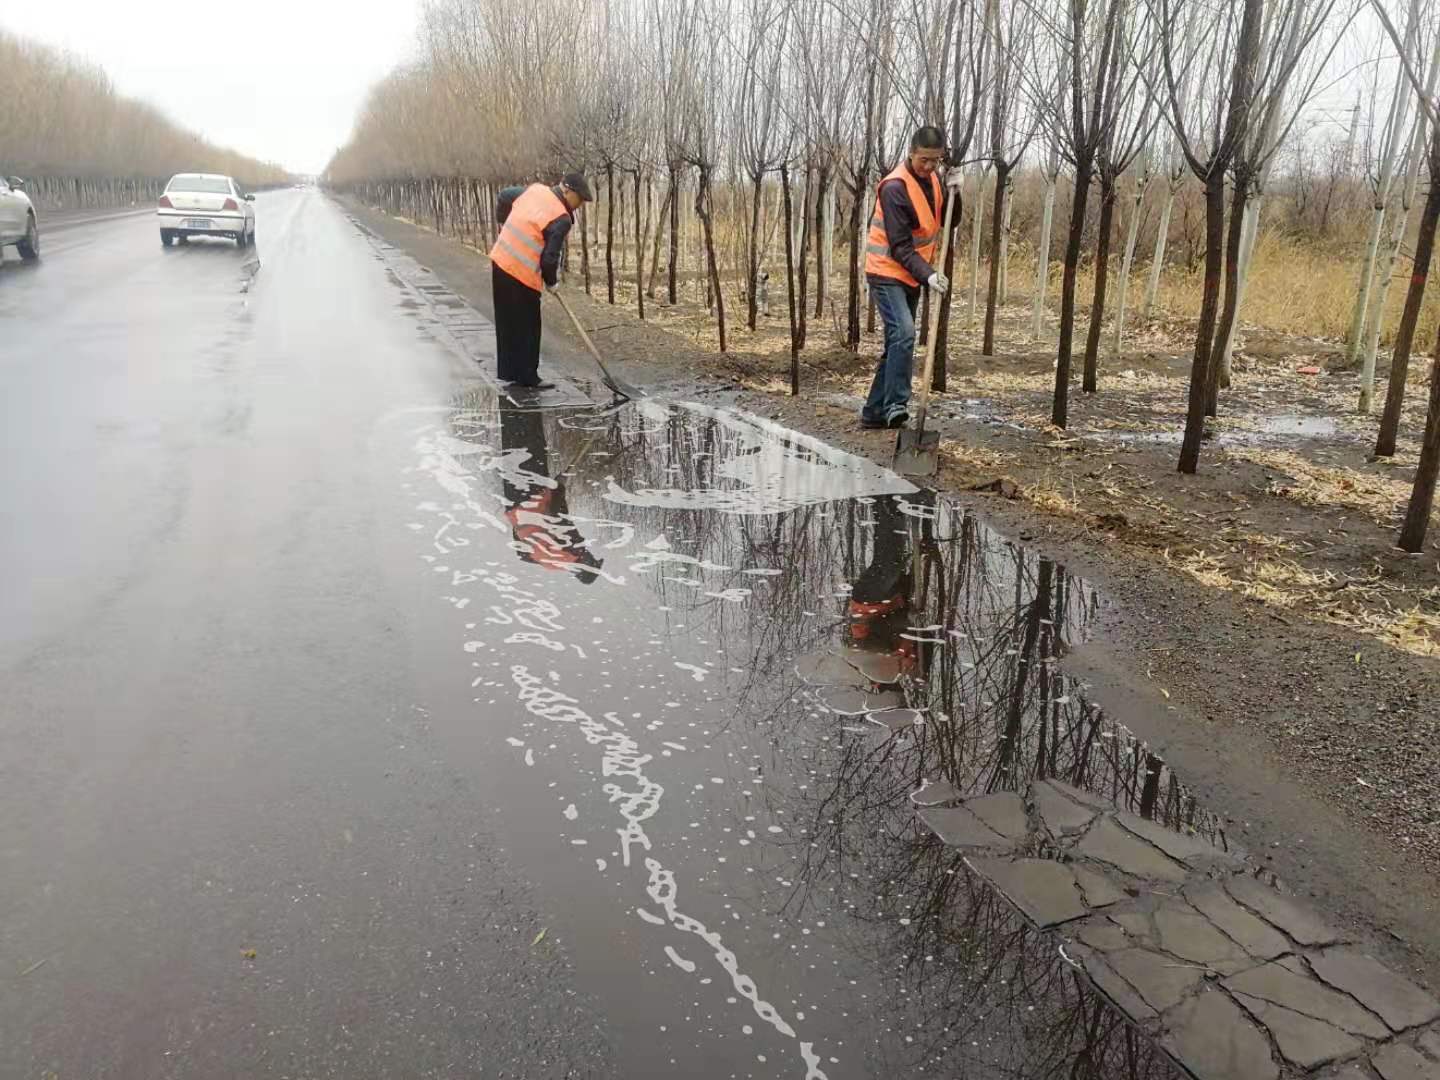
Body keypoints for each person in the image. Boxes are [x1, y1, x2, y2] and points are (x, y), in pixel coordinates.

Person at [860, 126, 963, 429]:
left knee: (896, 342)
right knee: (904, 333)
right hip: (886, 270)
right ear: (911, 153)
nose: (929, 166)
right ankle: (896, 406)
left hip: (911, 273)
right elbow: (901, 246)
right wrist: (929, 275)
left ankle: (873, 412)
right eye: (924, 160)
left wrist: (957, 191)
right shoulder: (895, 188)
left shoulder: (933, 180)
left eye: (936, 161)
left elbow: (949, 220)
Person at [490, 172, 594, 390]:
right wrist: (552, 282)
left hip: (500, 261)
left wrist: (504, 221)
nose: (580, 205)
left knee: (507, 322)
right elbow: (550, 258)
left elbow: (505, 195)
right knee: (529, 326)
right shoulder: (561, 218)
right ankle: (528, 377)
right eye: (580, 199)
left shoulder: (535, 190)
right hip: (521, 273)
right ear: (567, 190)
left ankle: (509, 372)